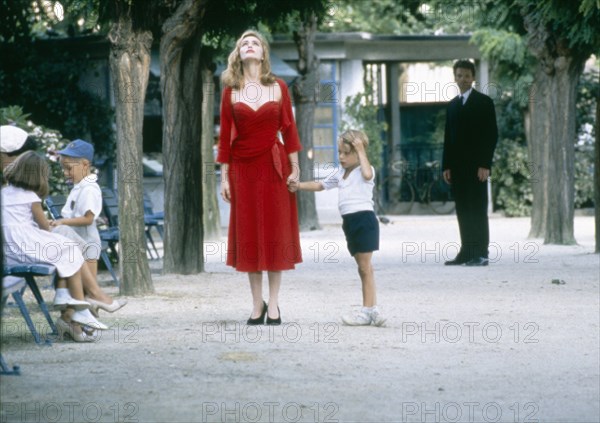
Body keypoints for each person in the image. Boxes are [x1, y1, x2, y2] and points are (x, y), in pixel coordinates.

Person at [217, 29, 302, 325]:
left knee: (275, 233)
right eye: (244, 43)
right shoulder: (230, 91)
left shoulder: (279, 87)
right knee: (250, 234)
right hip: (242, 169)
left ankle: (275, 304)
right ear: (238, 54)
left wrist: (296, 167)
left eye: (254, 43)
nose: (249, 46)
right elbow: (225, 138)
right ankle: (257, 304)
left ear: (263, 53)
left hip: (274, 166)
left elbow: (289, 130)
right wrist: (224, 177)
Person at [1, 151, 108, 341]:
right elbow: (44, 227)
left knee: (64, 247)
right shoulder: (30, 197)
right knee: (68, 248)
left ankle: (72, 308)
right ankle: (79, 305)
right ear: (38, 176)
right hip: (27, 248)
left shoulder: (4, 194)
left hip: (10, 250)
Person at [289, 130, 386, 327]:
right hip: (349, 223)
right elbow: (319, 185)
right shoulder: (340, 174)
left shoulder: (366, 170)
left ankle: (367, 311)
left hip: (364, 221)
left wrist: (360, 150)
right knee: (364, 268)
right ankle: (372, 309)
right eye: (339, 152)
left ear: (358, 152)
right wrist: (298, 186)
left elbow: (367, 174)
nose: (341, 157)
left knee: (365, 267)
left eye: (346, 153)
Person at [49, 139, 126, 315]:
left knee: (85, 291)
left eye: (69, 168)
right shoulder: (78, 187)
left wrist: (61, 222)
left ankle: (87, 321)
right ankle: (71, 324)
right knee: (77, 290)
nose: (65, 173)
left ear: (85, 164)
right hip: (77, 242)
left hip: (86, 243)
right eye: (63, 168)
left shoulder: (89, 188)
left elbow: (88, 219)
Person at [442, 59, 498, 266]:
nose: (463, 79)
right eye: (459, 75)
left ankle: (481, 253)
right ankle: (466, 251)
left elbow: (491, 135)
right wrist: (446, 166)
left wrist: (485, 164)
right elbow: (448, 137)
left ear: (473, 78)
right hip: (457, 168)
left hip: (477, 168)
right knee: (463, 208)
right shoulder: (453, 106)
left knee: (477, 208)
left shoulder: (484, 102)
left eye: (466, 75)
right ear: (454, 78)